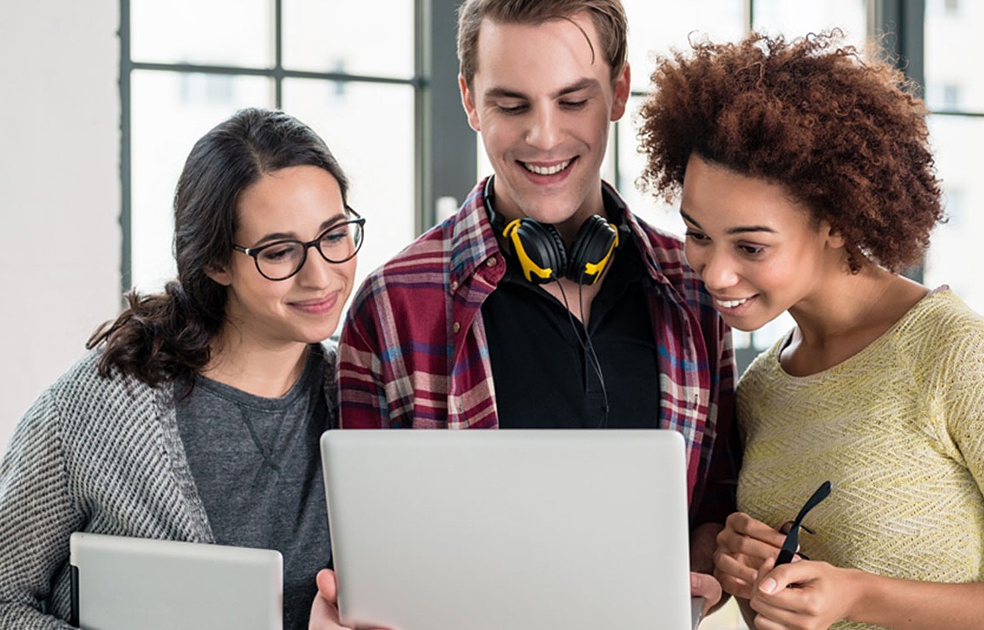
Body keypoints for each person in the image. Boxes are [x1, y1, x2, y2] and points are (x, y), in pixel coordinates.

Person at [637, 31, 984, 629]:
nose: (715, 271)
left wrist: (857, 593)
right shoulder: (763, 387)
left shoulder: (952, 354)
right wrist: (741, 566)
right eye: (699, 234)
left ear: (836, 222)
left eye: (751, 245)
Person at [315, 0, 739, 627]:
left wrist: (706, 568)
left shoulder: (694, 289)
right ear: (468, 100)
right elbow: (366, 551)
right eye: (512, 105)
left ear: (619, 91)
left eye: (573, 101)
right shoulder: (393, 306)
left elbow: (716, 501)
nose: (544, 136)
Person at [0, 107, 365, 630]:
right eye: (279, 252)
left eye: (335, 235)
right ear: (215, 262)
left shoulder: (364, 397)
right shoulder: (93, 410)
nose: (322, 276)